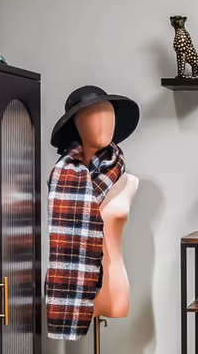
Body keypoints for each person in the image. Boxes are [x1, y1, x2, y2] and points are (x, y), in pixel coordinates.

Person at [44, 85, 139, 340]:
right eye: (94, 115)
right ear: (76, 125)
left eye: (109, 114)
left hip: (114, 287)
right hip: (72, 291)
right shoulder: (60, 178)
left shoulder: (128, 181)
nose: (104, 122)